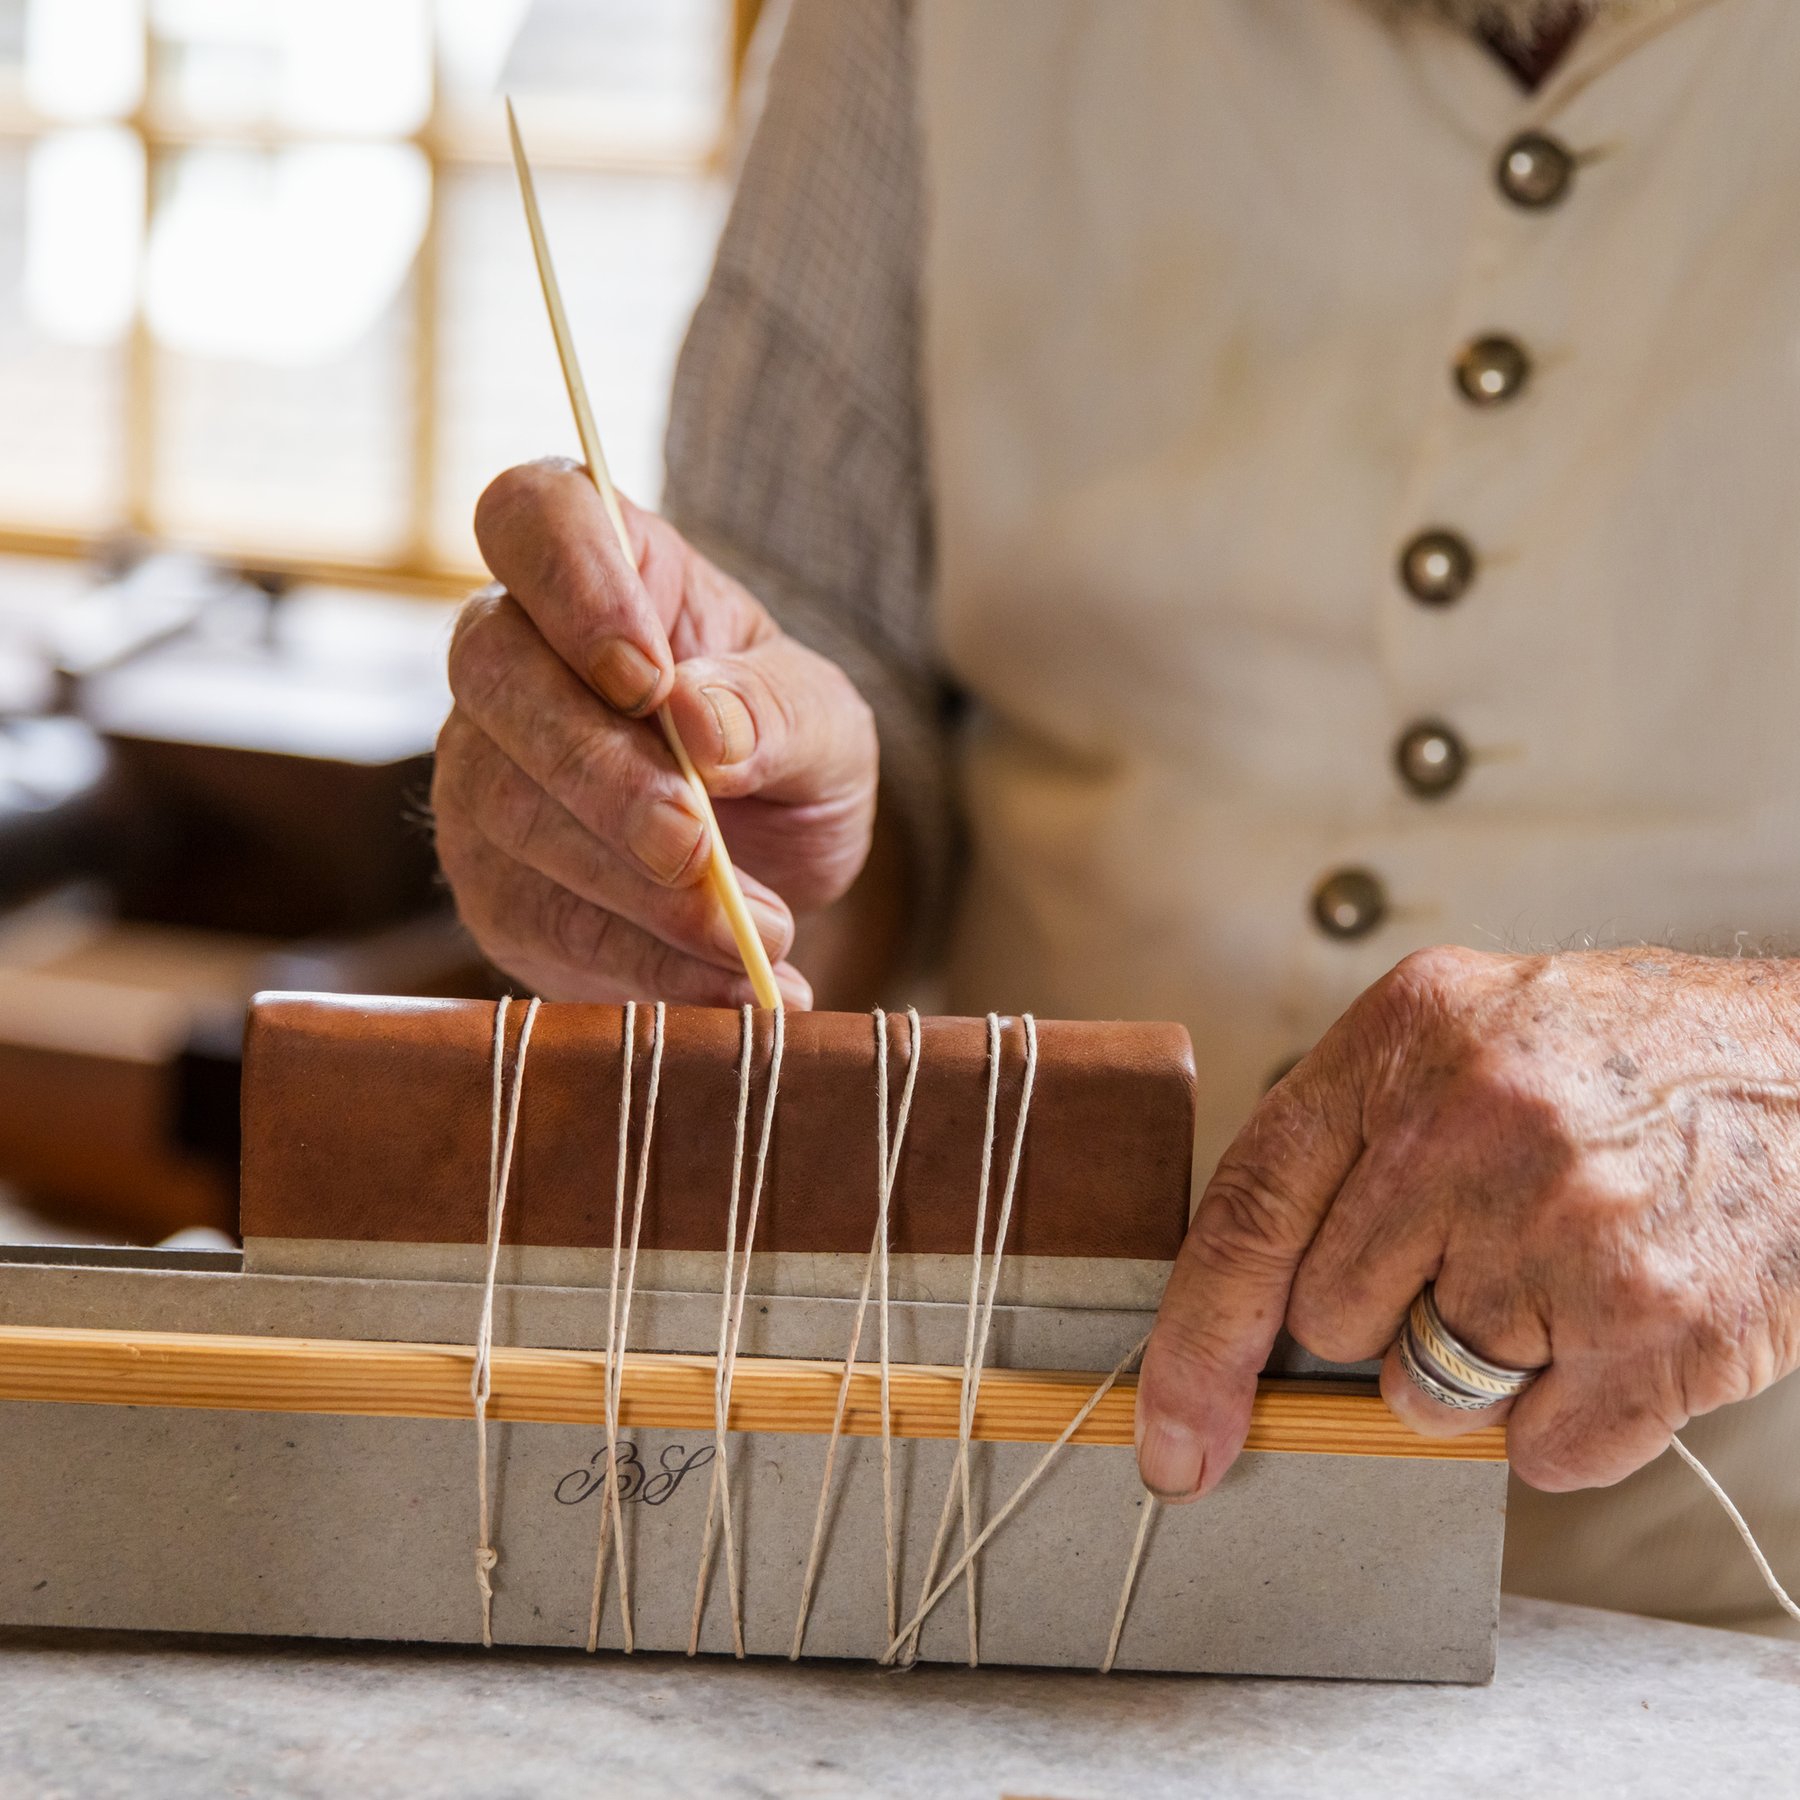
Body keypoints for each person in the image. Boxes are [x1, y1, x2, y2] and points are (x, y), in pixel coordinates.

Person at [432, 0, 1800, 1633]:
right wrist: (734, 835)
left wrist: (1770, 1104)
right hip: (1000, 1542)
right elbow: (808, 651)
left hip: (1736, 1619)